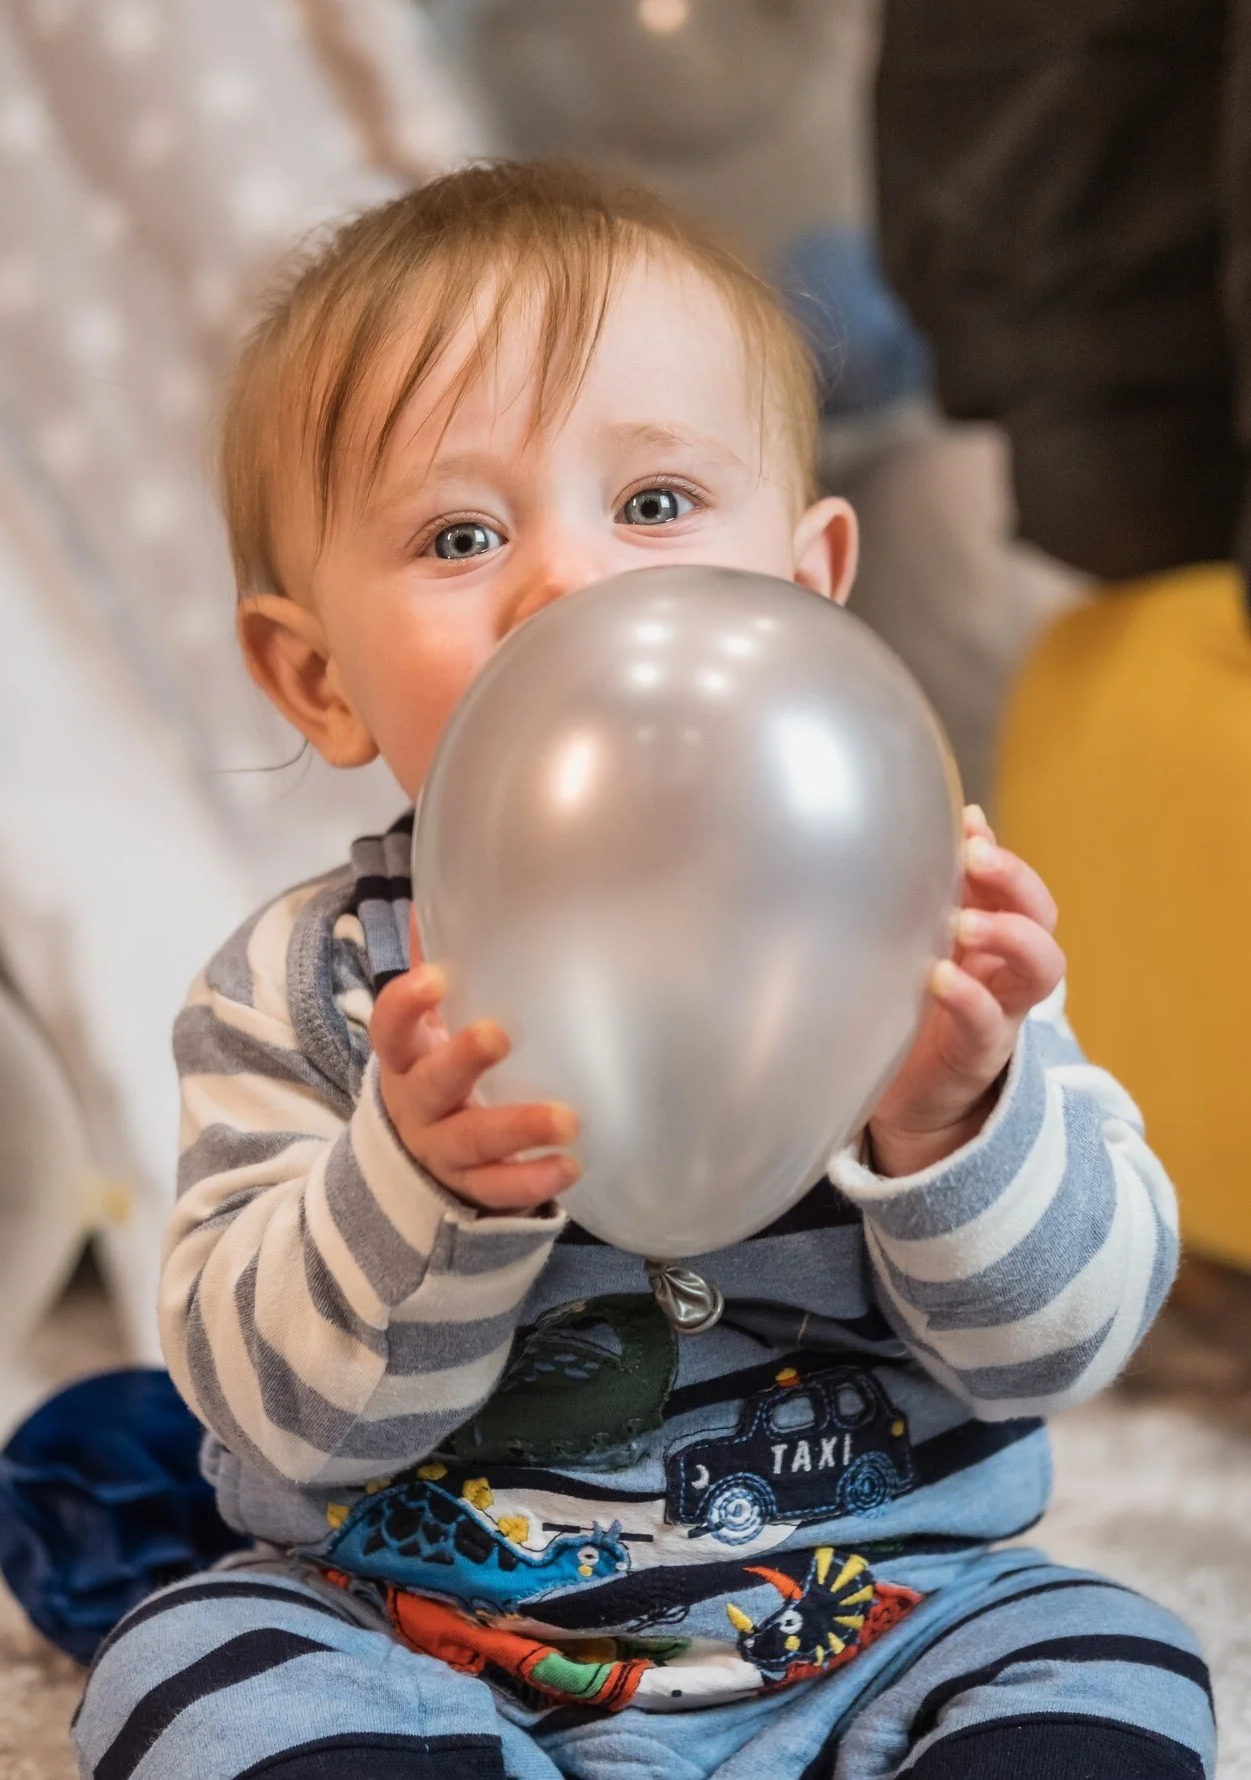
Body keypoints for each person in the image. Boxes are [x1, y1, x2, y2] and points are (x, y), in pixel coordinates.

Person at [71, 164, 1211, 1779]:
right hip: (425, 1634)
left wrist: (954, 1127)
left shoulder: (916, 928)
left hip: (880, 1613)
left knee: (1116, 1656)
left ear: (811, 579)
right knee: (192, 1666)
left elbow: (1067, 1346)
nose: (570, 586)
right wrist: (417, 1179)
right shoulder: (305, 992)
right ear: (316, 675)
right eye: (461, 534)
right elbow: (281, 1419)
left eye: (658, 504)